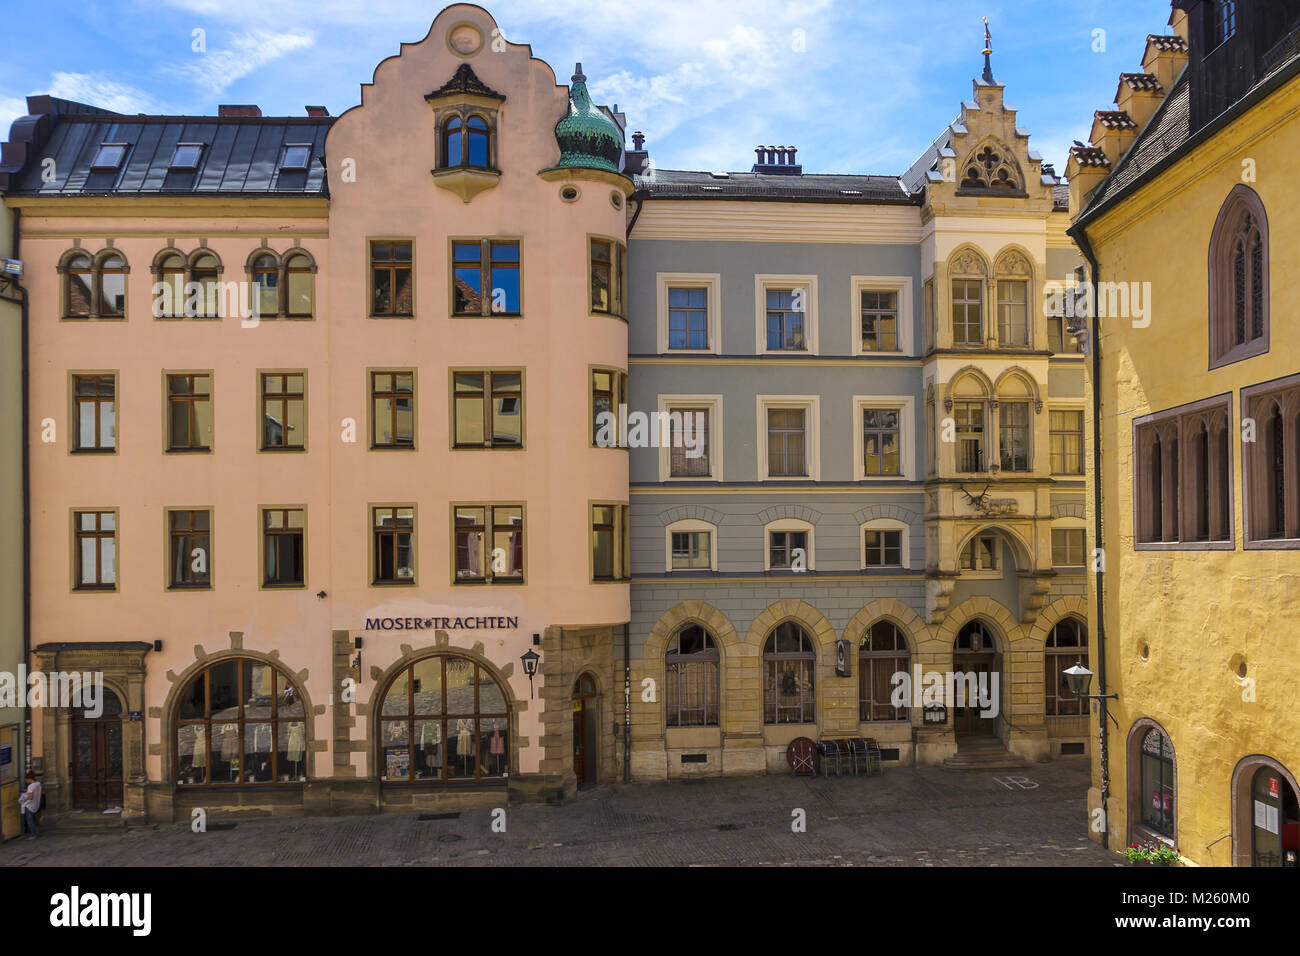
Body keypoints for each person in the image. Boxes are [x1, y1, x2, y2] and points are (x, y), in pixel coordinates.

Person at [18, 771, 41, 839]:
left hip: (30, 805)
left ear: (29, 779)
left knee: (30, 820)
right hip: (36, 804)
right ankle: (34, 832)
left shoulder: (30, 786)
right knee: (32, 819)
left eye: (26, 779)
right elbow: (34, 791)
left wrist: (23, 797)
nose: (25, 781)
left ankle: (33, 835)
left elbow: (30, 797)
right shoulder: (38, 783)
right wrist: (26, 791)